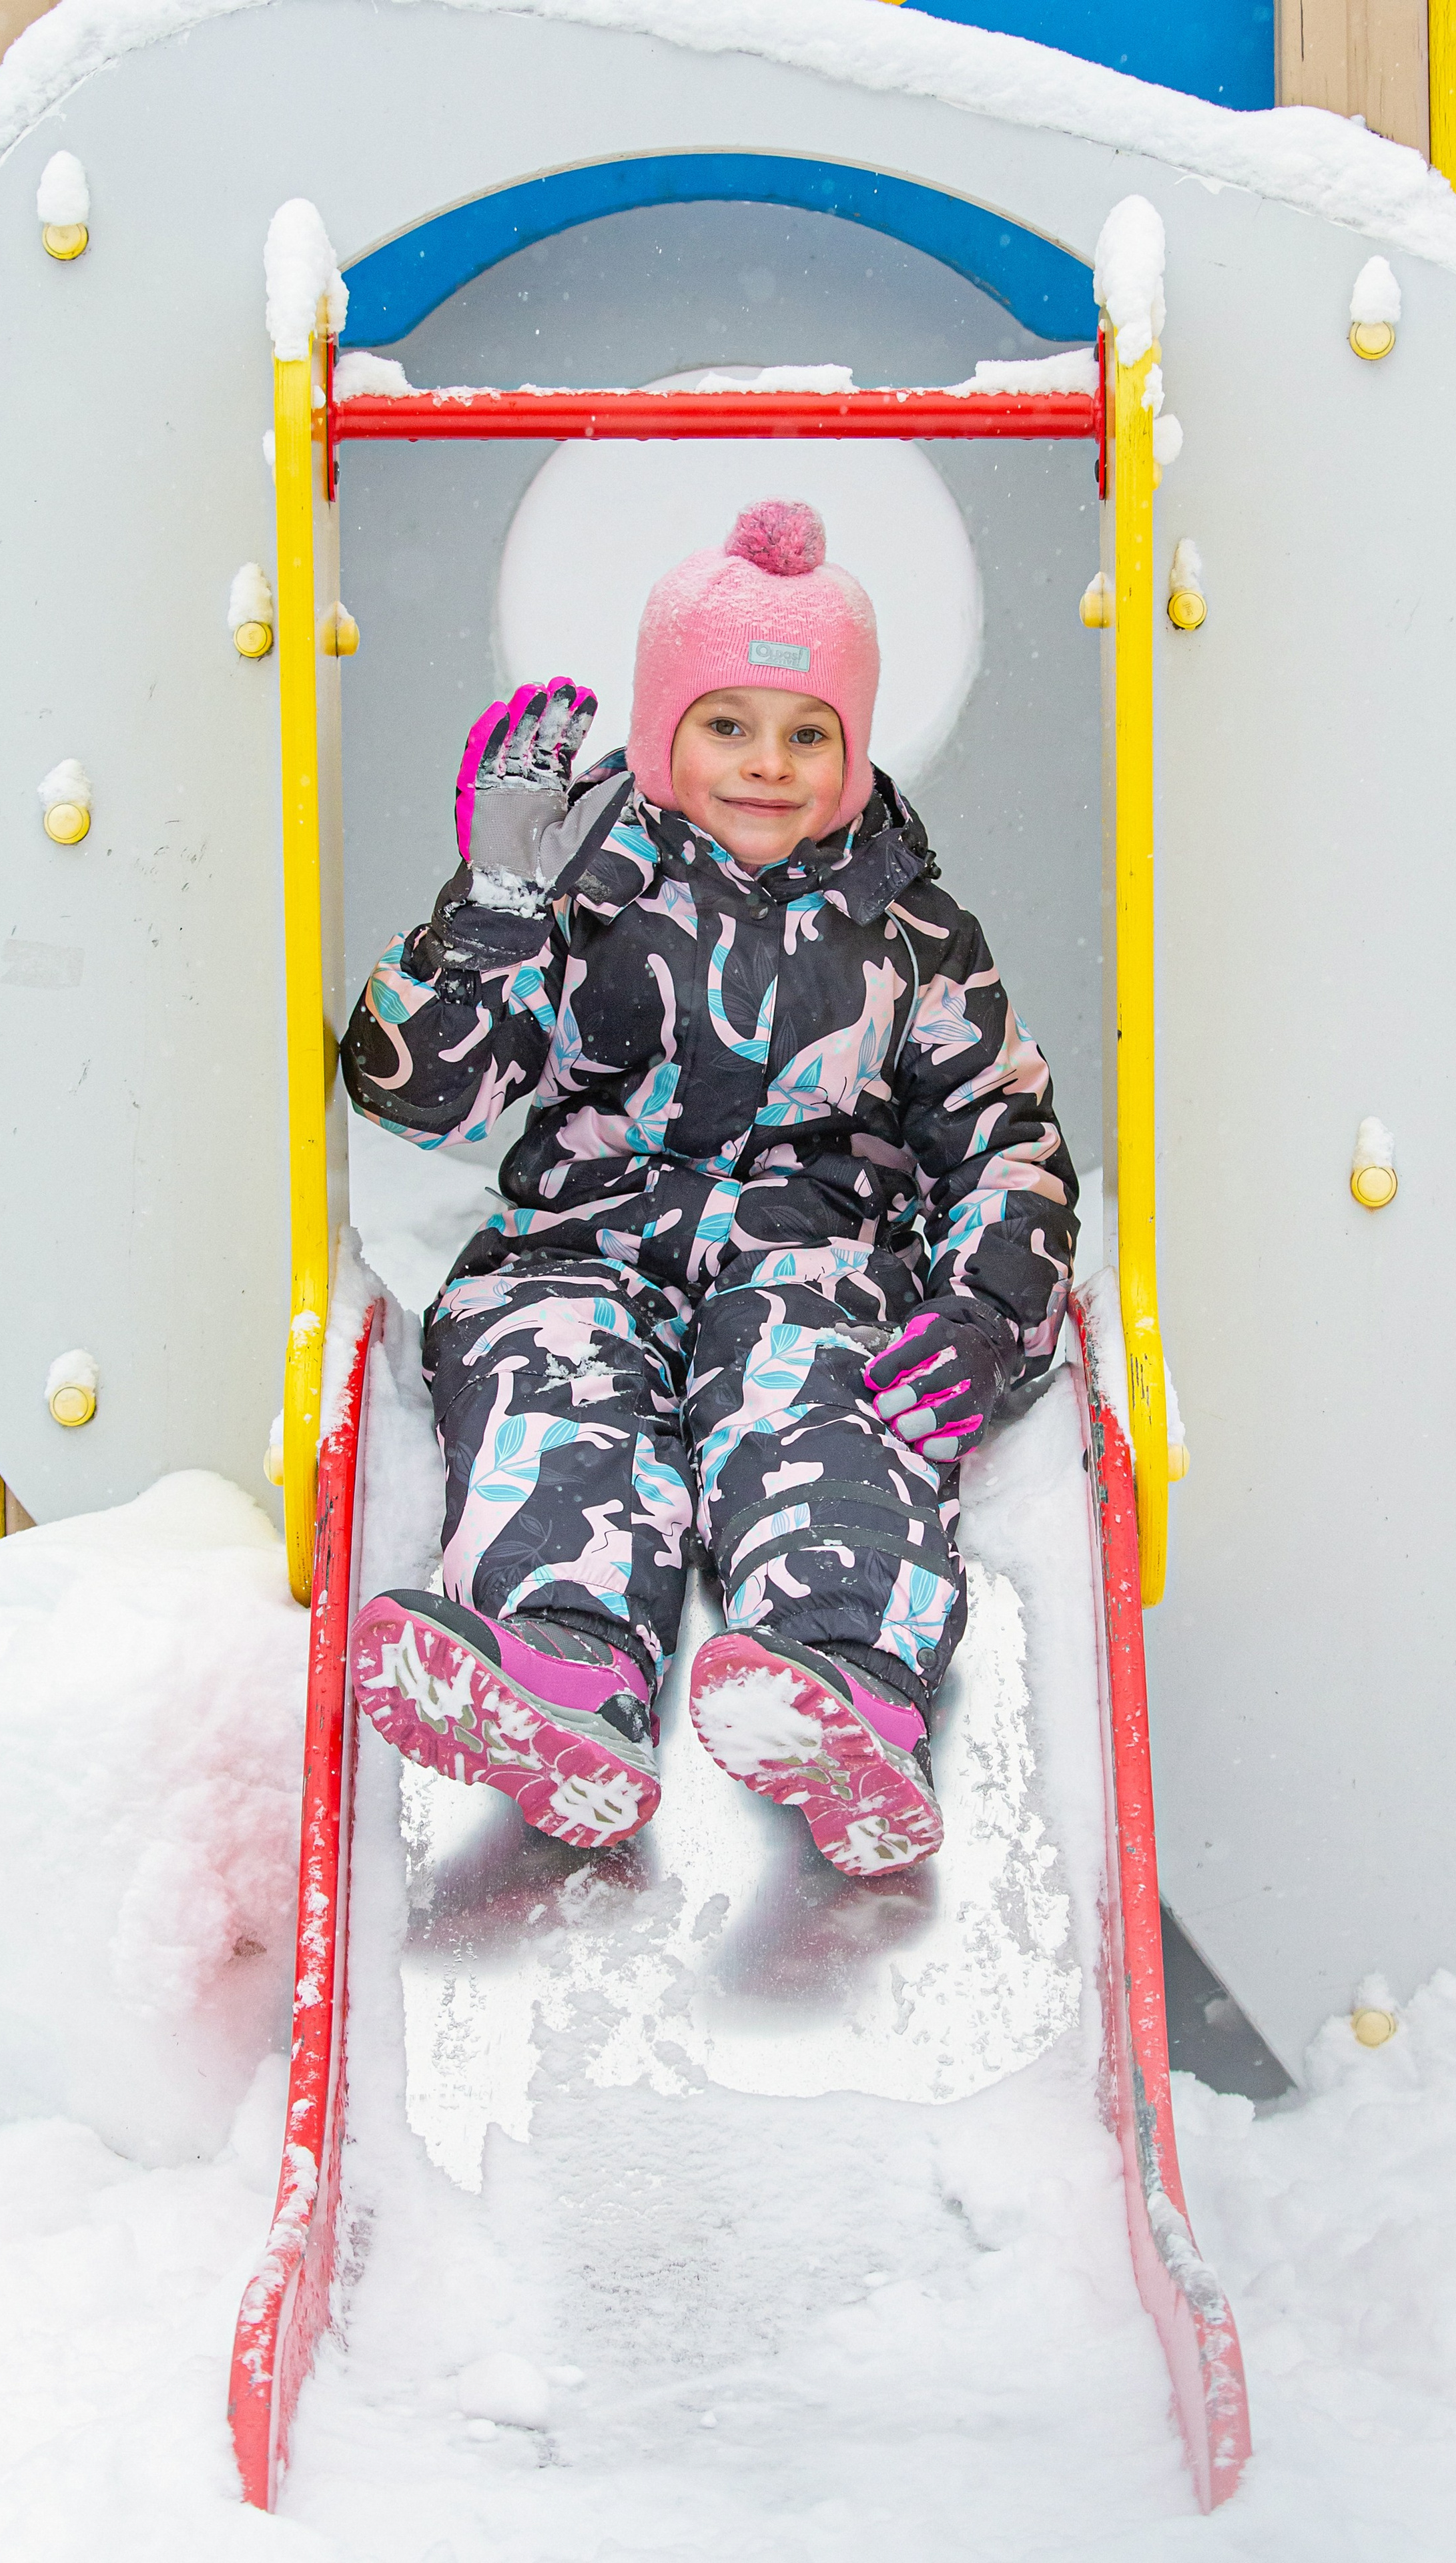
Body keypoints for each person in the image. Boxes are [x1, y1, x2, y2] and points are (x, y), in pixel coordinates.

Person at [344, 498, 1076, 1878]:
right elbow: (418, 1090)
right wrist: (495, 901)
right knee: (552, 1390)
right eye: (727, 724)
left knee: (827, 1403)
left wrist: (988, 1310)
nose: (767, 764)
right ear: (664, 728)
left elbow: (1002, 1128)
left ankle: (843, 1682)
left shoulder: (908, 924)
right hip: (583, 1245)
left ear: (855, 750)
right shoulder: (578, 886)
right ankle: (565, 1672)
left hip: (813, 1260)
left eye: (808, 734)